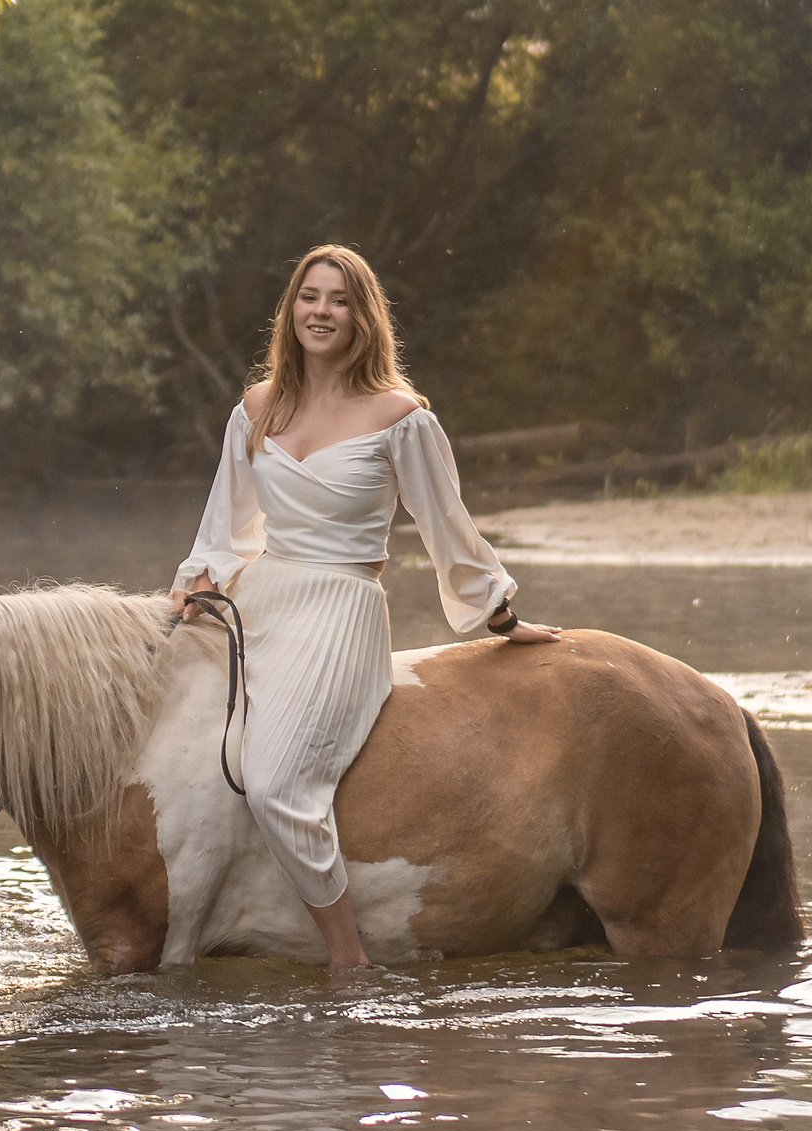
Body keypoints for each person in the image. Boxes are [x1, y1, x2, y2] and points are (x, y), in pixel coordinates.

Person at [169, 243, 560, 972]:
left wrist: (499, 614)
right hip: (262, 598)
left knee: (279, 784)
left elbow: (449, 524)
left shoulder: (399, 417)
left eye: (340, 300)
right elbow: (226, 526)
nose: (322, 311)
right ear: (292, 309)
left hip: (341, 607)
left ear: (363, 316)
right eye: (310, 296)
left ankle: (347, 958)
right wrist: (199, 579)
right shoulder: (257, 407)